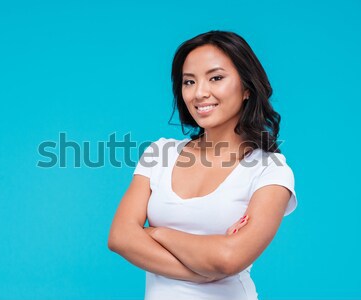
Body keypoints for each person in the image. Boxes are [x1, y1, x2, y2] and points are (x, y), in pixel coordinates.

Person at [108, 30, 297, 300]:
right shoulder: (160, 153)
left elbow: (229, 259)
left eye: (216, 78)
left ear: (246, 87)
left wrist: (156, 232)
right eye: (189, 82)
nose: (199, 93)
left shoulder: (270, 170)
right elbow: (120, 237)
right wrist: (205, 270)